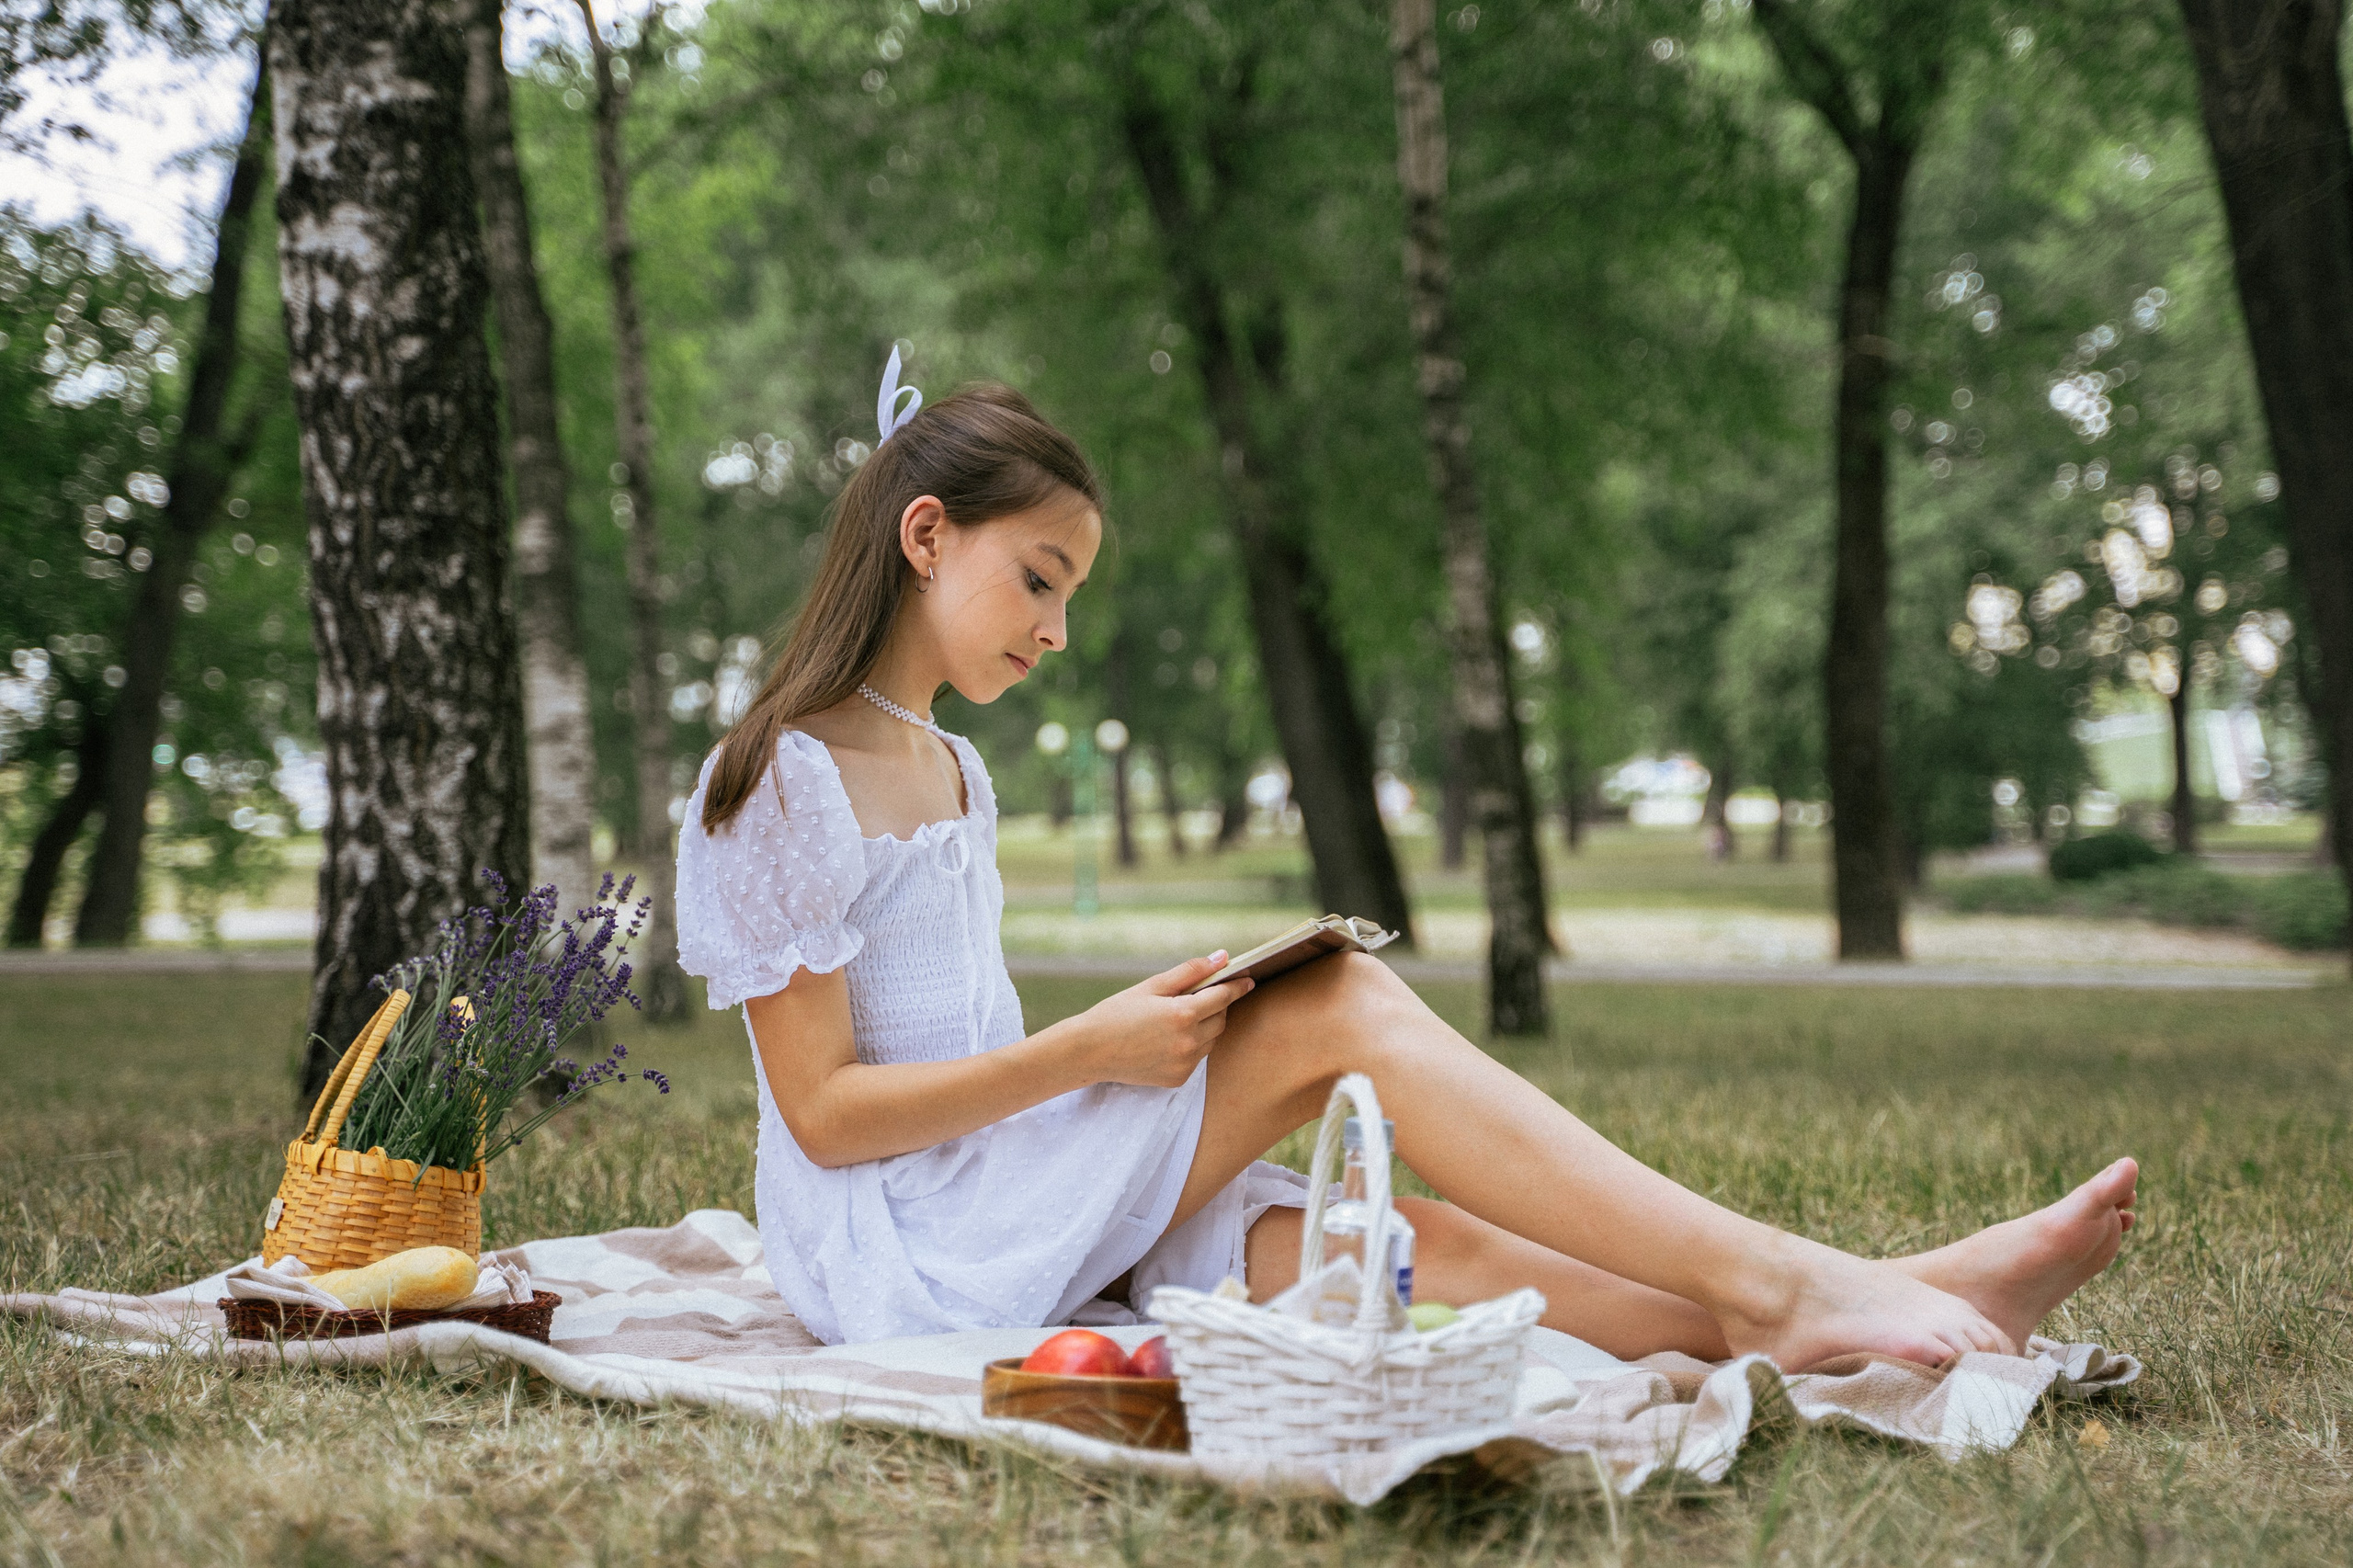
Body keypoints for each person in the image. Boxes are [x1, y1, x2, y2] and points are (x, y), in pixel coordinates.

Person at [675, 357, 2139, 1359]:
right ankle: (1801, 1280)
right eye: (1039, 581)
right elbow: (826, 1118)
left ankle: (1850, 1298)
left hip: (1012, 1181)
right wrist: (1095, 1051)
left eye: (1068, 594)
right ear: (928, 536)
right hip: (912, 1247)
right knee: (1336, 1010)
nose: (1056, 630)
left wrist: (1138, 1033)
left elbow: (967, 1044)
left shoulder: (958, 768)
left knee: (1393, 1238)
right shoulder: (776, 784)